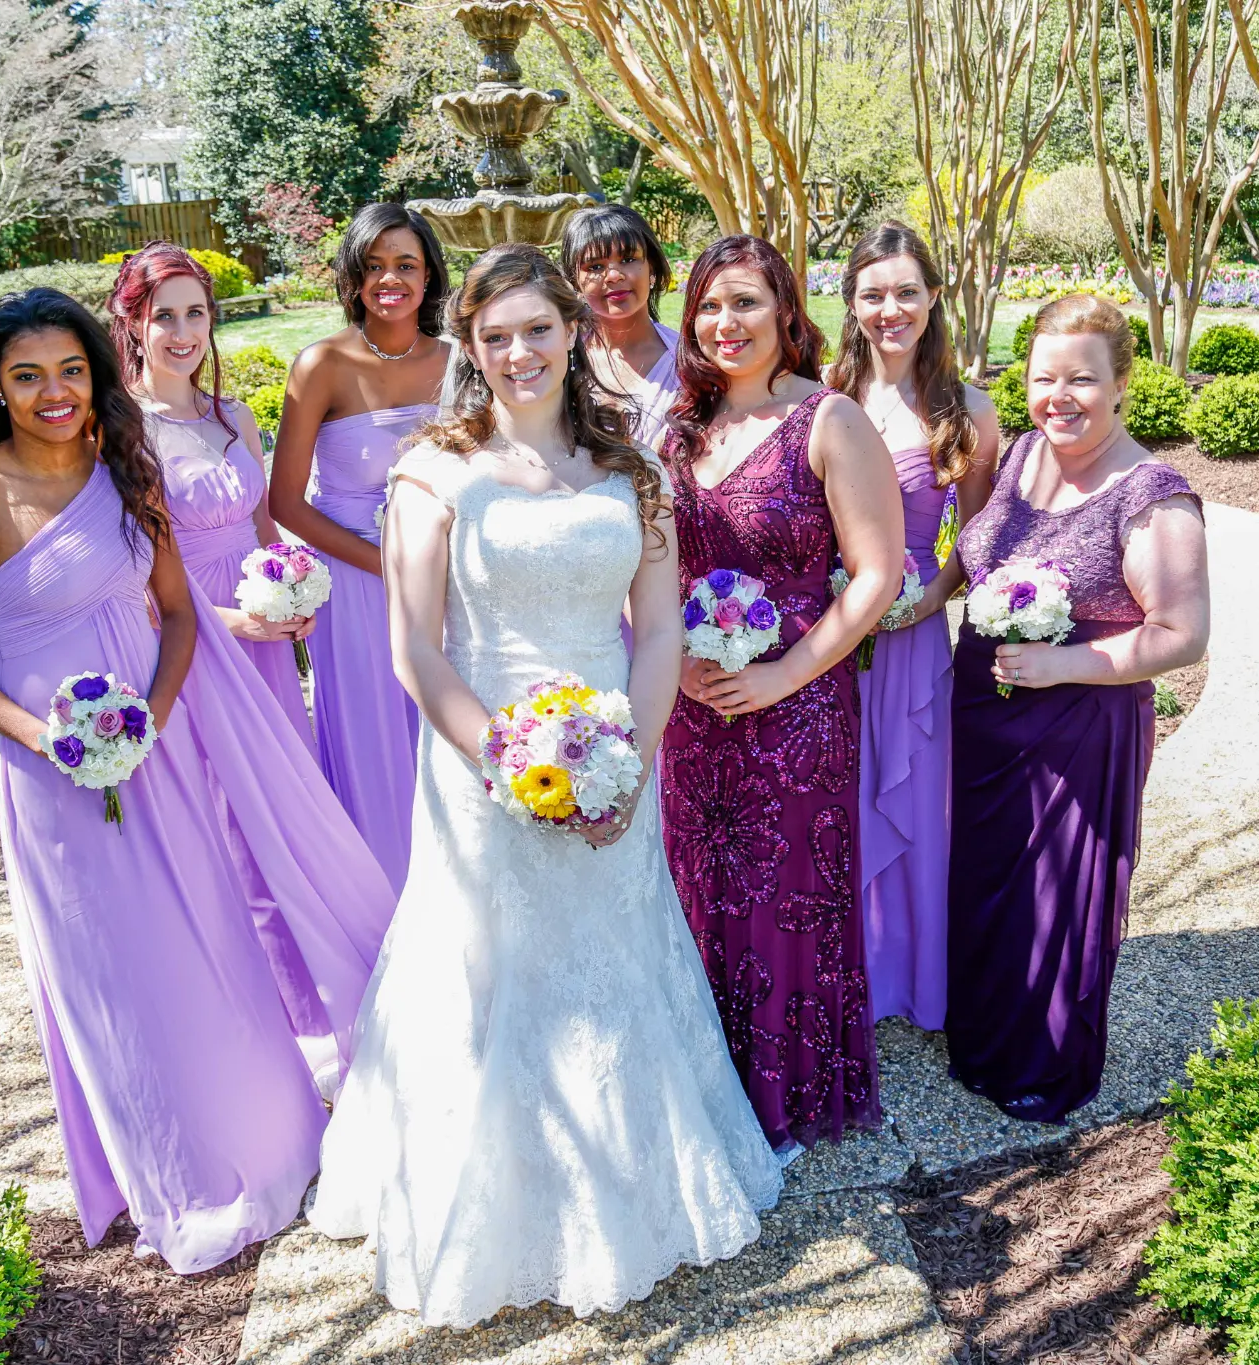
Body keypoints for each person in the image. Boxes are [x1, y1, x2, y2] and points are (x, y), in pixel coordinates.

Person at [311, 244, 782, 1327]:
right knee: (495, 975)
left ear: (573, 332)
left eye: (536, 329)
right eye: (493, 337)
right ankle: (490, 1208)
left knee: (613, 963)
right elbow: (415, 654)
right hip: (485, 772)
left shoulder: (632, 471)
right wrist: (516, 771)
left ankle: (628, 1190)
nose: (517, 352)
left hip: (618, 751)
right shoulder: (433, 470)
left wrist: (629, 761)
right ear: (470, 351)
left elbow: (657, 628)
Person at [0, 288, 397, 1273]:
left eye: (69, 370)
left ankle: (273, 1145)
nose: (52, 392)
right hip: (57, 775)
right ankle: (184, 1175)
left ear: (97, 372)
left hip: (155, 741)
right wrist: (42, 740)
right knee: (124, 964)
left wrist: (158, 718)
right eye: (25, 376)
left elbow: (176, 612)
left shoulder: (122, 469)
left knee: (215, 933)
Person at [657, 235, 906, 1158]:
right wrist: (677, 663)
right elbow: (652, 568)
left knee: (786, 892)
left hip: (798, 707)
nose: (727, 324)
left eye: (747, 304)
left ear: (787, 314)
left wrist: (777, 676)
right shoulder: (679, 430)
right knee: (698, 889)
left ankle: (784, 1095)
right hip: (694, 706)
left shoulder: (830, 420)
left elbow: (876, 576)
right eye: (710, 306)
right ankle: (708, 1089)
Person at [947, 293, 1209, 1123]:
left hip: (1077, 728)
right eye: (1043, 377)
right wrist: (914, 602)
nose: (1059, 396)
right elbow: (976, 552)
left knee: (1053, 895)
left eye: (1082, 380)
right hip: (982, 715)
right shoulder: (1021, 453)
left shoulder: (1152, 494)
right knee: (985, 884)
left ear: (1122, 384)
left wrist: (1062, 663)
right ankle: (982, 1032)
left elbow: (1182, 633)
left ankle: (1043, 1058)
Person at [827, 223, 1000, 1030]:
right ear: (851, 302)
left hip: (913, 635)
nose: (889, 309)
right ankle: (846, 974)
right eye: (872, 294)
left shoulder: (968, 411)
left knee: (915, 805)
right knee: (835, 800)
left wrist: (927, 599)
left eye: (905, 292)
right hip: (826, 636)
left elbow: (978, 537)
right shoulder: (823, 394)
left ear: (934, 297)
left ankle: (915, 981)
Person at [267, 203, 450, 892]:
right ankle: (387, 909)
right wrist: (387, 565)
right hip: (359, 582)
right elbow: (284, 500)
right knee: (377, 748)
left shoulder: (459, 362)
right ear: (353, 275)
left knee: (445, 738)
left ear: (429, 272)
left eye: (405, 264)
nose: (389, 280)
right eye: (373, 266)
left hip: (446, 585)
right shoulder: (321, 365)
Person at [108, 241, 312, 748]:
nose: (183, 334)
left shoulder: (234, 416)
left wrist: (295, 593)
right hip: (191, 635)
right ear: (134, 324)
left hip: (263, 628)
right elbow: (125, 575)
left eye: (195, 314)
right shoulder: (121, 432)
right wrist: (234, 624)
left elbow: (263, 526)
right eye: (164, 317)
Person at [560, 203, 681, 448]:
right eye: (595, 267)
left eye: (628, 259)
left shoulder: (687, 361)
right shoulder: (560, 356)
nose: (614, 276)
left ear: (652, 268)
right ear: (575, 281)